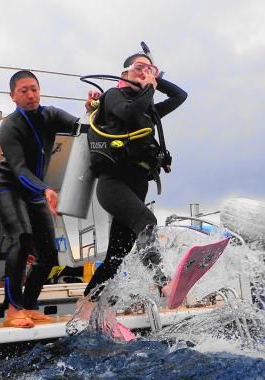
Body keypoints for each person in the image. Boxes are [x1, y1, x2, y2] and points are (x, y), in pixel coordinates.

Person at [79, 52, 187, 317]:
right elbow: (128, 111)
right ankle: (163, 284)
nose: (144, 71)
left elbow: (180, 97)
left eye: (150, 68)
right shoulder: (113, 97)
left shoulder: (149, 108)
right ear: (125, 71)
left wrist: (156, 81)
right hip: (113, 183)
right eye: (139, 67)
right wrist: (149, 86)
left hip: (138, 184)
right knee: (146, 221)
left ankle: (86, 305)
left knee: (117, 253)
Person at [0, 70, 79, 328]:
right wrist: (45, 190)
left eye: (34, 89)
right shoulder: (9, 126)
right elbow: (19, 169)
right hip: (9, 187)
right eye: (23, 91)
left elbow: (80, 126)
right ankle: (12, 309)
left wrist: (93, 108)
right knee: (21, 239)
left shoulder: (50, 115)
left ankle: (29, 305)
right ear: (12, 96)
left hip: (35, 191)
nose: (31, 95)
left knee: (50, 254)